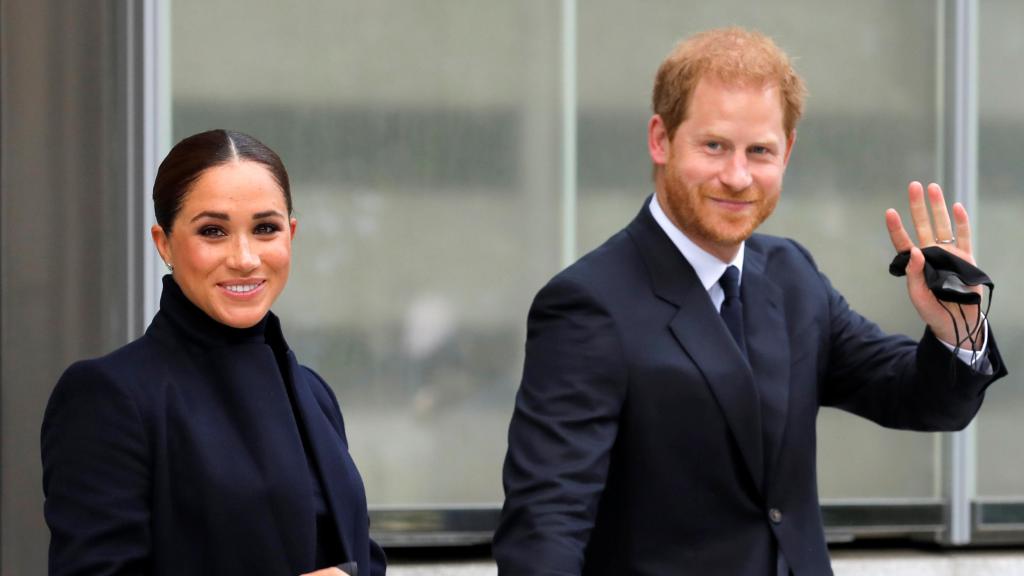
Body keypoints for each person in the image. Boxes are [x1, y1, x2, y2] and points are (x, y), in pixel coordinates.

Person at [493, 28, 1007, 575]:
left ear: (787, 152)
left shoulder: (792, 276)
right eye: (714, 146)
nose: (737, 177)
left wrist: (957, 329)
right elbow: (545, 528)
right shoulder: (587, 304)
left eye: (759, 151)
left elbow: (922, 401)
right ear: (661, 140)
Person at [41, 129, 385, 576]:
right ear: (164, 243)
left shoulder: (314, 394)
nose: (244, 258)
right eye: (213, 231)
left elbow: (360, 556)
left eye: (265, 229)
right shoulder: (108, 396)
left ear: (291, 234)